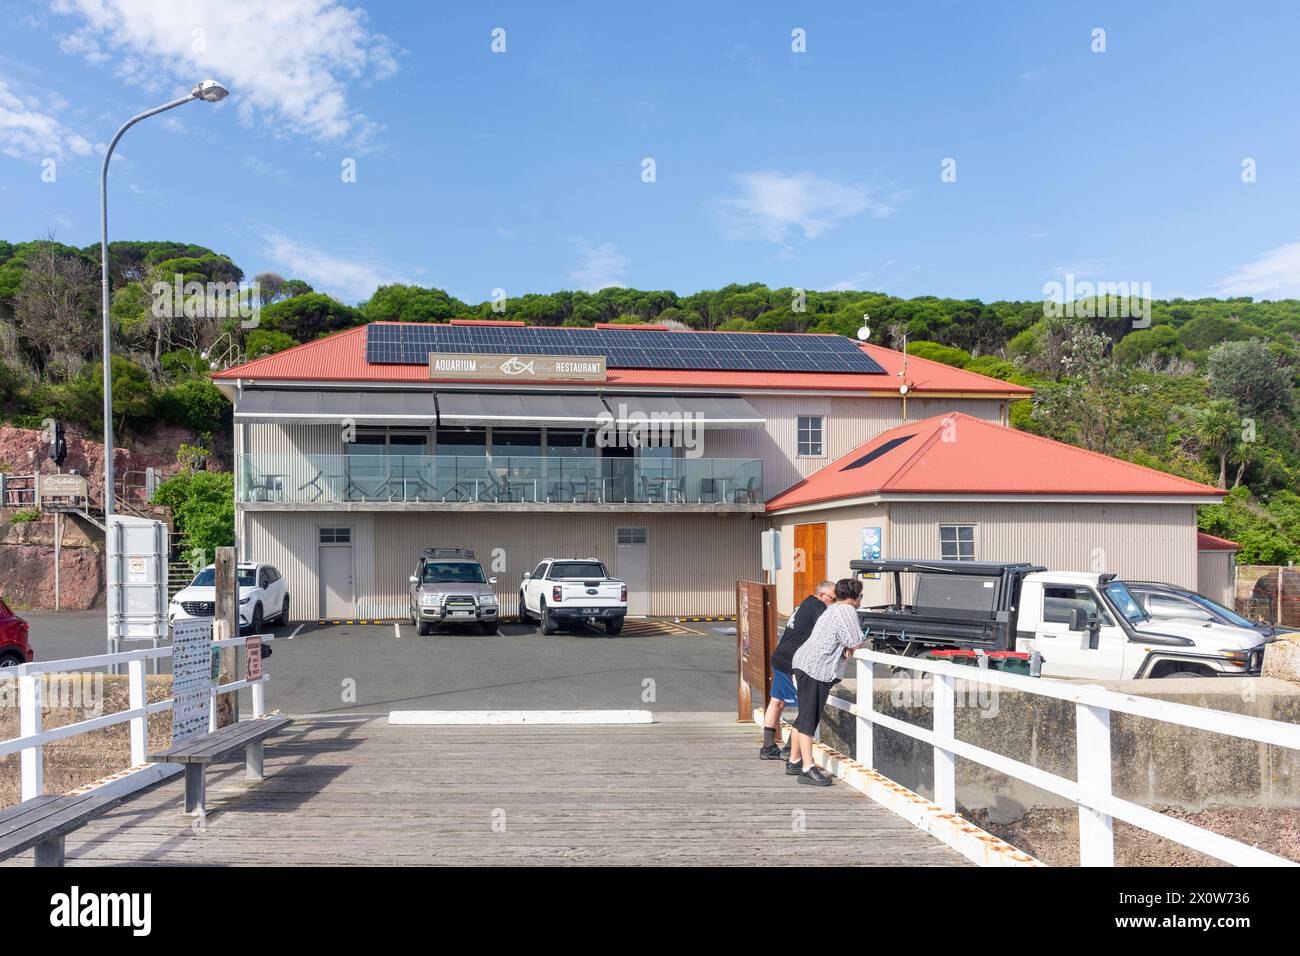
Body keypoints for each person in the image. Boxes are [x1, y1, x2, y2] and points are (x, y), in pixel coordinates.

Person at [789, 577, 868, 786]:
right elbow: (854, 640)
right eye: (860, 596)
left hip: (804, 662)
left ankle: (794, 759)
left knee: (804, 713)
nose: (860, 600)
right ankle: (807, 767)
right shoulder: (847, 610)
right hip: (817, 668)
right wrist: (852, 646)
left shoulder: (832, 608)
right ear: (854, 597)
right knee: (809, 717)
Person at [759, 580, 835, 764]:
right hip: (792, 662)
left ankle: (768, 747)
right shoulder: (818, 607)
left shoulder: (804, 603)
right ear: (823, 595)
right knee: (807, 705)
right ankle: (790, 750)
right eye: (834, 599)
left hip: (780, 656)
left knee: (776, 702)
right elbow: (826, 633)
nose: (834, 603)